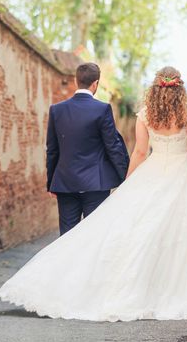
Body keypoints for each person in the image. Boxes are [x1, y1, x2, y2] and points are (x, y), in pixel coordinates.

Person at [0, 66, 187, 321]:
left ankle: (114, 285)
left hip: (152, 173)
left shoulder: (146, 115)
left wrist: (128, 183)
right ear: (180, 89)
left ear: (156, 88)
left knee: (143, 230)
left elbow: (140, 152)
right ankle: (179, 287)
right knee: (184, 233)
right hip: (182, 174)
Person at [46, 62, 130, 235]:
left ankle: (68, 263)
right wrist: (125, 178)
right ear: (95, 84)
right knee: (94, 236)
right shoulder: (102, 109)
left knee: (67, 237)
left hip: (65, 184)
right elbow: (112, 146)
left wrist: (51, 184)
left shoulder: (56, 110)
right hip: (96, 184)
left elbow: (52, 150)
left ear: (77, 81)